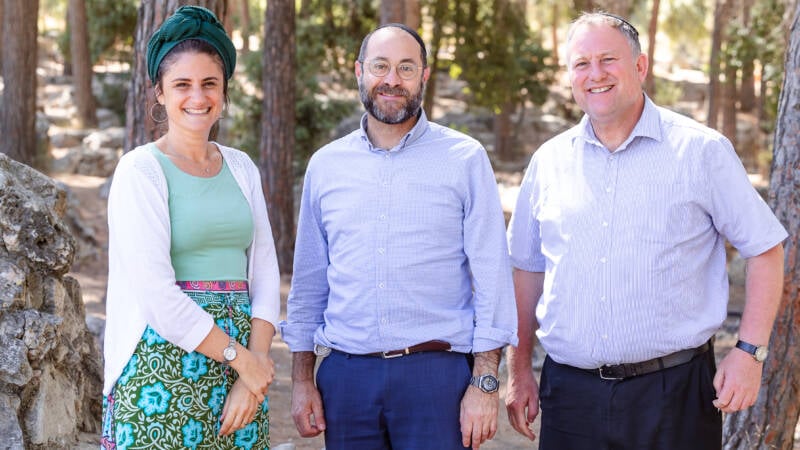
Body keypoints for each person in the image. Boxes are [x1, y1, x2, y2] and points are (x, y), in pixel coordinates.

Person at [505, 12, 787, 450]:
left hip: (674, 396)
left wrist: (750, 352)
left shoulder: (701, 151)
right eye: (581, 64)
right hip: (570, 398)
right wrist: (519, 369)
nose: (595, 74)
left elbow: (765, 249)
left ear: (640, 66)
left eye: (608, 60)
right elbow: (527, 270)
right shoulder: (548, 161)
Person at [281, 23, 518, 450]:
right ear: (359, 71)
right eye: (380, 66)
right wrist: (301, 380)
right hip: (347, 380)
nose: (392, 79)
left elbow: (493, 279)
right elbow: (309, 284)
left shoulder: (464, 159)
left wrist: (484, 383)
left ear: (423, 76)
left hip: (437, 377)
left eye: (406, 68)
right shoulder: (326, 165)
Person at [101, 6, 280, 449]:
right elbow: (158, 297)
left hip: (241, 376)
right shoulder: (140, 171)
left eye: (209, 83)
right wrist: (242, 359)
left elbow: (265, 274)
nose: (197, 97)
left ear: (224, 91)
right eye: (182, 84)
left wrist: (254, 368)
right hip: (159, 370)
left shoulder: (242, 167)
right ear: (159, 92)